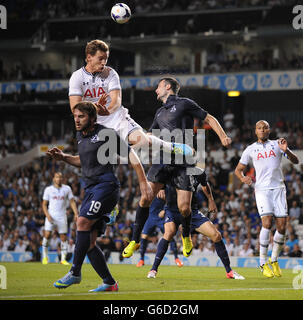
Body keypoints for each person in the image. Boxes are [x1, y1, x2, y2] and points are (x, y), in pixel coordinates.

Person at [47, 101, 153, 292]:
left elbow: (132, 156)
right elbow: (83, 160)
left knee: (81, 223)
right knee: (88, 243)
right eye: (75, 117)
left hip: (106, 186)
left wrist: (143, 183)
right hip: (90, 189)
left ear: (93, 118)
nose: (77, 121)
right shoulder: (80, 135)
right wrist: (64, 157)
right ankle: (110, 283)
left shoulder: (106, 133)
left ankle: (75, 272)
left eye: (82, 117)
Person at [123, 76, 232, 259]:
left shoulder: (184, 104)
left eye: (158, 86)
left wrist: (223, 136)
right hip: (163, 160)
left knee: (184, 208)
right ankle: (134, 240)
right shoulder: (159, 113)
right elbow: (149, 135)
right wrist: (131, 143)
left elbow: (209, 118)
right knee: (145, 198)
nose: (156, 90)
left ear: (167, 87)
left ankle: (186, 235)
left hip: (183, 162)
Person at [68, 39, 192, 155]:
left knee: (143, 141)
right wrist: (94, 110)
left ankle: (171, 147)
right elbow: (74, 107)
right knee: (94, 159)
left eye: (106, 59)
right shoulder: (77, 77)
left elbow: (116, 101)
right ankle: (122, 154)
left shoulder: (110, 73)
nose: (104, 62)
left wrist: (107, 111)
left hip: (116, 118)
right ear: (89, 57)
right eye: (100, 59)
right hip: (93, 123)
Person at [147, 170, 244, 280]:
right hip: (172, 210)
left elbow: (205, 184)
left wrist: (211, 200)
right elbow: (157, 176)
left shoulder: (197, 171)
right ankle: (153, 269)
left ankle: (229, 271)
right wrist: (161, 188)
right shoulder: (172, 168)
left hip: (192, 212)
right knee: (169, 233)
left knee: (216, 235)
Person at [235, 120, 299, 278]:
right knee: (267, 223)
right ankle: (263, 262)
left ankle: (274, 260)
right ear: (255, 131)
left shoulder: (278, 144)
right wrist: (243, 179)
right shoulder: (250, 149)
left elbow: (296, 161)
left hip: (279, 189)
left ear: (269, 130)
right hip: (262, 190)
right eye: (259, 128)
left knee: (282, 227)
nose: (262, 130)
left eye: (265, 128)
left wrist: (287, 151)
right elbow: (238, 170)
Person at [136, 189, 183, 268]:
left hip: (160, 217)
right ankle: (141, 259)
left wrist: (164, 210)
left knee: (169, 235)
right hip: (150, 217)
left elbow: (170, 201)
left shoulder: (162, 191)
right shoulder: (149, 190)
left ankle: (176, 258)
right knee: (144, 236)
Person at [41, 172, 78, 265]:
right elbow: (44, 204)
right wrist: (47, 215)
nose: (59, 179)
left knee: (63, 237)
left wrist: (76, 214)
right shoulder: (48, 189)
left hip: (62, 216)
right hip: (51, 215)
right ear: (54, 178)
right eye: (57, 177)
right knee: (47, 235)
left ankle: (63, 259)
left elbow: (72, 202)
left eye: (61, 177)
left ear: (63, 179)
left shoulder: (67, 188)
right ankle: (45, 257)